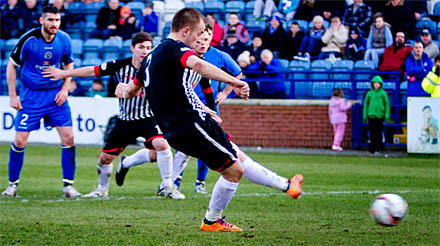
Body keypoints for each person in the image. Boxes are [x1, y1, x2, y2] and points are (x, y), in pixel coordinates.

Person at [115, 8, 303, 232]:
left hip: (179, 127)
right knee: (233, 170)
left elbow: (133, 90)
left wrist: (123, 90)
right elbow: (199, 66)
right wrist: (235, 82)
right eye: (197, 34)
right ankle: (212, 220)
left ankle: (286, 185)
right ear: (186, 31)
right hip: (189, 124)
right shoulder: (175, 49)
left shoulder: (152, 57)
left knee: (237, 156)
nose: (199, 39)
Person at [42, 32, 184, 199]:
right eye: (141, 47)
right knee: (105, 158)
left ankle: (167, 186)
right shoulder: (120, 66)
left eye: (148, 47)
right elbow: (92, 71)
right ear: (132, 48)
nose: (144, 51)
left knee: (161, 145)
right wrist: (64, 73)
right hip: (125, 121)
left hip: (148, 118)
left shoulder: (156, 68)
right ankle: (102, 189)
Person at [1, 6, 81, 198]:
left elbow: (68, 64)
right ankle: (12, 185)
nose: (54, 24)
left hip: (55, 95)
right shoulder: (28, 39)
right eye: (51, 20)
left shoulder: (64, 39)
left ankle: (68, 186)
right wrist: (13, 95)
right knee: (20, 140)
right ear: (41, 20)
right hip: (31, 96)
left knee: (69, 138)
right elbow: (12, 65)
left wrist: (64, 89)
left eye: (57, 20)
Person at [171, 23, 243, 194]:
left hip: (210, 107)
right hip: (189, 107)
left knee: (209, 144)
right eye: (201, 36)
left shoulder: (219, 55)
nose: (204, 41)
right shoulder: (186, 53)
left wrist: (225, 93)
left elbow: (237, 73)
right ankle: (174, 182)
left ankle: (200, 182)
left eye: (207, 37)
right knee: (184, 146)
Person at [363, 75, 390, 155]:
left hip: (380, 116)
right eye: (375, 83)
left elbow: (386, 104)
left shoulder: (383, 93)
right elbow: (366, 104)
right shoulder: (369, 93)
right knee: (372, 133)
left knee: (379, 133)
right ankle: (372, 148)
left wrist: (386, 114)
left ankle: (379, 148)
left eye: (378, 83)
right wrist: (365, 115)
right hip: (371, 115)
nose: (376, 85)